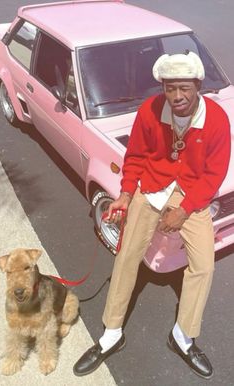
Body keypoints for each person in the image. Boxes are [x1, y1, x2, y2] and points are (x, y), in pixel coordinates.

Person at [73, 52, 231, 379]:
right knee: (127, 255)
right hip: (151, 186)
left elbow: (214, 175)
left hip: (191, 195)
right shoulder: (150, 110)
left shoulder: (216, 119)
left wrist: (184, 211)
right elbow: (135, 157)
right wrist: (127, 195)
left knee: (203, 265)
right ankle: (111, 334)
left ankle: (183, 337)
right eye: (170, 88)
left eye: (184, 88)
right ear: (162, 87)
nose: (177, 96)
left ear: (198, 86)